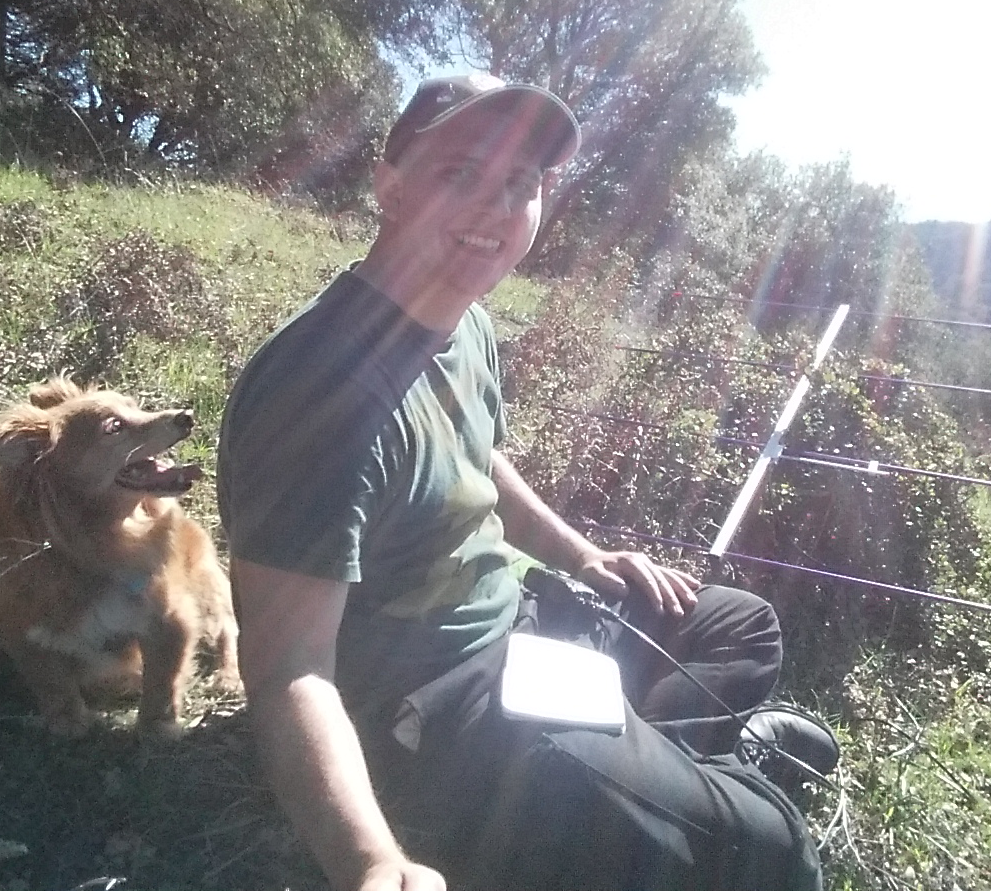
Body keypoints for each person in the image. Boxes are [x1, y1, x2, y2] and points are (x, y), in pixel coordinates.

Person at [218, 73, 830, 891]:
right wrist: (369, 861)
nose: (499, 208)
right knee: (775, 853)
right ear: (390, 186)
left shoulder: (462, 319)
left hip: (527, 621)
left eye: (523, 182)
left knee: (740, 627)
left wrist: (584, 557)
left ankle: (639, 791)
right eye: (462, 174)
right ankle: (658, 797)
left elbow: (480, 458)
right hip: (444, 703)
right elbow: (289, 668)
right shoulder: (319, 399)